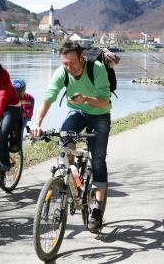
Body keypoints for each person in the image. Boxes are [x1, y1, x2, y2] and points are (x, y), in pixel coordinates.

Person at [30, 41, 111, 231]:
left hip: (99, 113)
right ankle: (72, 178)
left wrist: (86, 99)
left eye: (72, 63)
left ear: (81, 58)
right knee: (64, 139)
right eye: (65, 63)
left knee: (98, 159)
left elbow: (104, 100)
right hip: (77, 112)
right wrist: (37, 122)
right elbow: (48, 97)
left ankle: (97, 209)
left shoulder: (96, 69)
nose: (69, 67)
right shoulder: (62, 72)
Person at [12, 78, 35, 149]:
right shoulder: (9, 96)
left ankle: (16, 144)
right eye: (15, 91)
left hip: (23, 116)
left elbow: (27, 112)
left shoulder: (29, 98)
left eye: (20, 91)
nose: (17, 93)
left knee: (18, 124)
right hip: (12, 114)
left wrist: (20, 113)